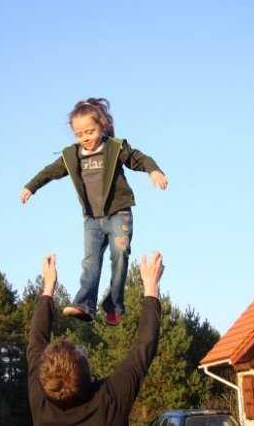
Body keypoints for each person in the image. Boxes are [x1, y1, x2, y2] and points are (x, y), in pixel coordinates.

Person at [19, 98, 167, 326]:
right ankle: (84, 304)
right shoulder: (72, 156)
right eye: (79, 134)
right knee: (90, 261)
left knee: (119, 255)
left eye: (90, 131)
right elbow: (49, 171)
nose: (85, 138)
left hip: (119, 213)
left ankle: (114, 304)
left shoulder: (114, 148)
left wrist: (153, 170)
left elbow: (138, 158)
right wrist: (31, 186)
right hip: (92, 219)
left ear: (103, 126)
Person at [27, 251, 164, 425]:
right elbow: (146, 343)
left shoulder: (41, 403)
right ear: (91, 379)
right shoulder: (109, 400)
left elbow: (146, 344)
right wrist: (151, 285)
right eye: (80, 351)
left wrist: (48, 287)